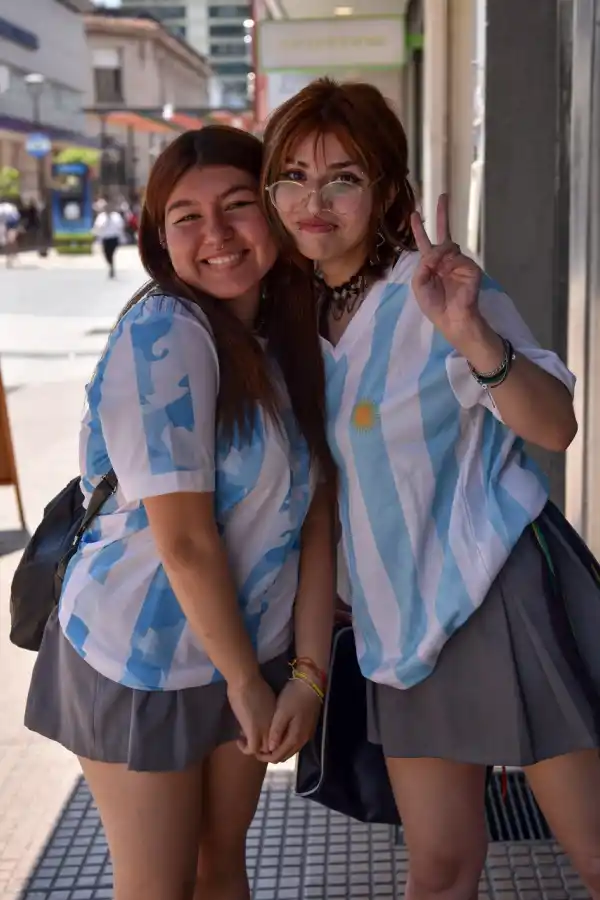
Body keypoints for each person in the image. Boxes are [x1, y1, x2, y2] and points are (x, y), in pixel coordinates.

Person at [262, 78, 600, 900]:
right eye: (293, 177)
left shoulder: (436, 288)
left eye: (343, 177)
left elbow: (556, 426)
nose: (314, 202)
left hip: (497, 584)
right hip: (394, 620)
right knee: (440, 869)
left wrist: (471, 334)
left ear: (386, 190)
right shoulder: (281, 319)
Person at [24, 126, 336, 900]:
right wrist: (249, 683)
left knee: (220, 869)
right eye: (187, 217)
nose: (217, 233)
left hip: (244, 652)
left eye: (237, 204)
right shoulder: (165, 331)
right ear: (159, 238)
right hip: (143, 657)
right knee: (159, 886)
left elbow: (314, 515)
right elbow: (186, 541)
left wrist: (306, 673)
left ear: (273, 209)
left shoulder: (280, 338)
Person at [93, 201, 124, 278]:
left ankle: (111, 267)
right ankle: (111, 265)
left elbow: (120, 226)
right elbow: (98, 226)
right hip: (105, 238)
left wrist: (121, 236)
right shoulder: (101, 217)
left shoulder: (116, 216)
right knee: (106, 253)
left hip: (114, 238)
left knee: (111, 253)